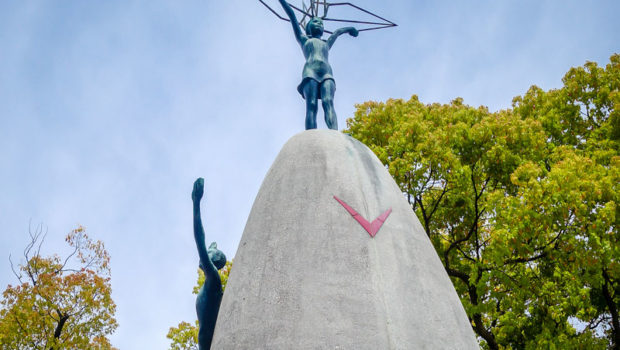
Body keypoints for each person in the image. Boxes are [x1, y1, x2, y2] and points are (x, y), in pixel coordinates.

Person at [278, 0, 359, 130]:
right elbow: (291, 15)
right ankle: (311, 135)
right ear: (309, 26)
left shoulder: (326, 43)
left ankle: (335, 133)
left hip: (327, 73)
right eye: (315, 22)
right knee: (311, 104)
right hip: (310, 72)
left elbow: (336, 32)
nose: (319, 24)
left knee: (328, 102)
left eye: (321, 23)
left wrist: (350, 29)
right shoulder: (304, 39)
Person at [191, 177, 227, 350]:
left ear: (214, 260)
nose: (204, 256)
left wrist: (196, 203)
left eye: (209, 253)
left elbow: (200, 241)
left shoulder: (213, 280)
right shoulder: (210, 284)